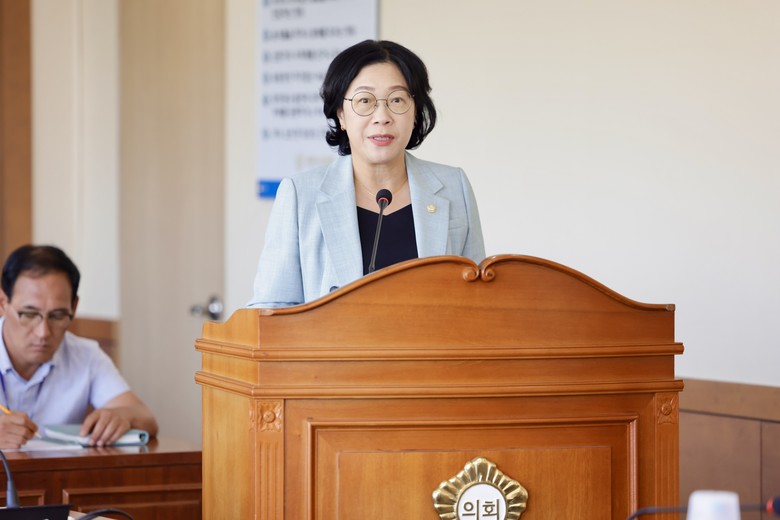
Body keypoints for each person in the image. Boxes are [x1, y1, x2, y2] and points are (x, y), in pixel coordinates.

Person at [249, 40, 485, 308]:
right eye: (365, 101)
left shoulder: (454, 186)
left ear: (415, 112)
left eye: (397, 100)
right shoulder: (300, 196)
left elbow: (480, 302)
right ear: (341, 115)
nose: (382, 116)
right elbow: (270, 307)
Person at [0, 244, 158, 448]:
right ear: (3, 302)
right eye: (29, 314)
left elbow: (146, 418)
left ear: (74, 307)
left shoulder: (86, 356)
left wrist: (121, 416)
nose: (43, 333)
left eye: (58, 316)